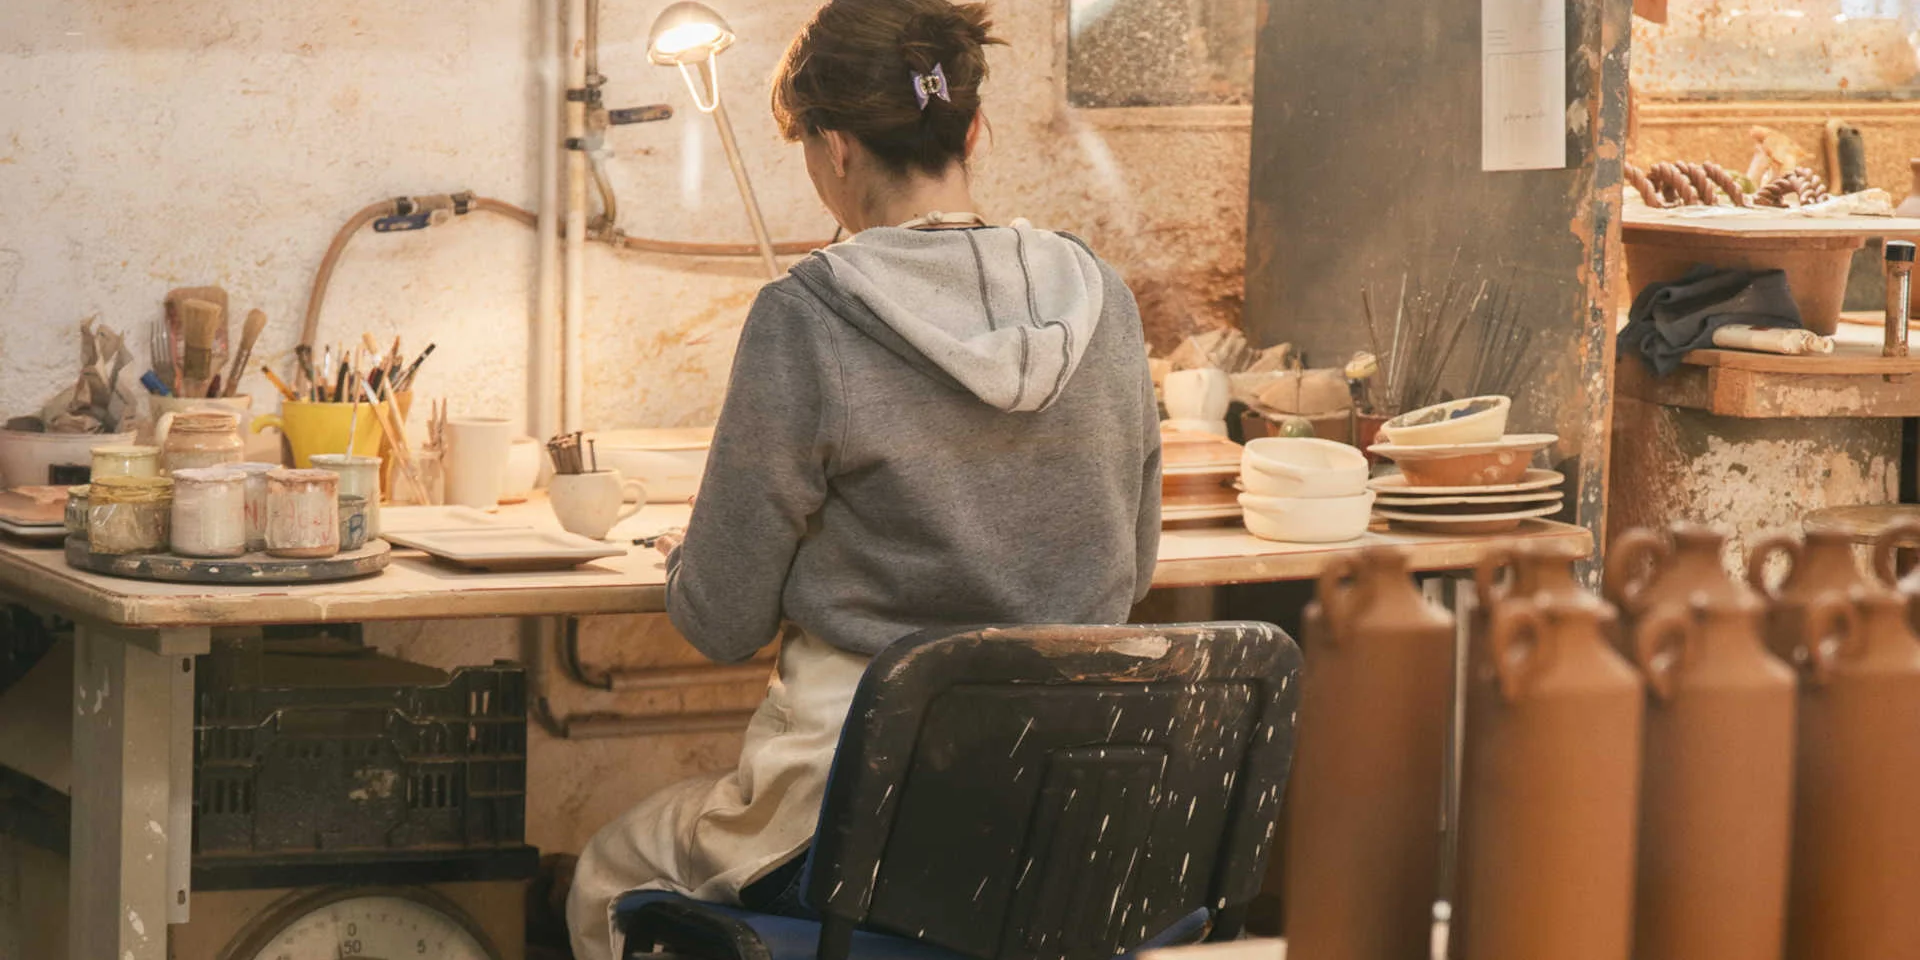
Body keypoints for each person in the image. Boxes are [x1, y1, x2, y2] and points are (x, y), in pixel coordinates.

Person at [566, 0, 1161, 955]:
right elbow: (1129, 574)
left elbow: (721, 623)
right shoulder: (1104, 298)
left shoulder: (806, 316)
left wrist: (699, 557)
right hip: (1067, 815)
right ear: (971, 128)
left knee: (603, 869)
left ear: (835, 149)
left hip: (858, 820)